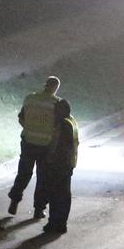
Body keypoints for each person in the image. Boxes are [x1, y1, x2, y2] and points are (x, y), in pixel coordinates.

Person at [8, 76, 62, 218]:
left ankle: (14, 200)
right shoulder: (57, 103)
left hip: (28, 142)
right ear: (56, 88)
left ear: (45, 85)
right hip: (45, 145)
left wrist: (29, 129)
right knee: (43, 178)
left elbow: (21, 118)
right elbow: (57, 128)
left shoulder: (30, 99)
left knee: (24, 173)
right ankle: (39, 209)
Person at [43, 99, 78, 234]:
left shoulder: (62, 124)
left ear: (61, 111)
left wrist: (48, 158)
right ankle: (62, 224)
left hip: (58, 164)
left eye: (56, 109)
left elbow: (55, 144)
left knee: (55, 195)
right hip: (69, 163)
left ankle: (53, 223)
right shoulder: (72, 122)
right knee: (64, 195)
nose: (54, 112)